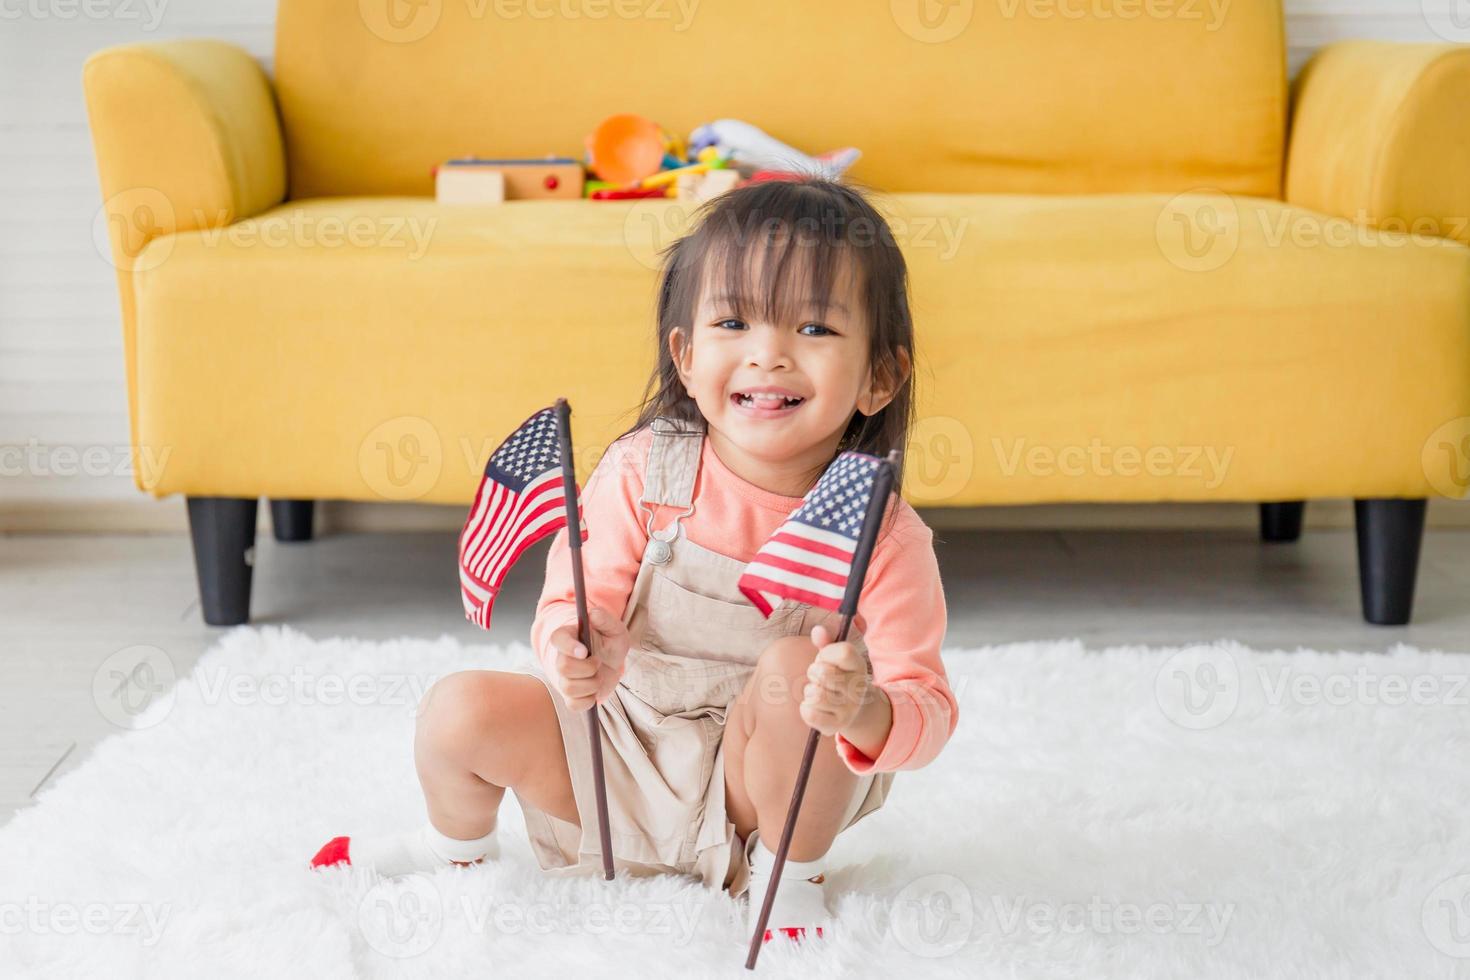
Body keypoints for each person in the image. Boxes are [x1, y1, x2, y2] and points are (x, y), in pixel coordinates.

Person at [311, 175, 958, 944]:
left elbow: (930, 709)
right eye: (734, 321)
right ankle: (455, 854)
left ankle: (791, 888)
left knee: (792, 671)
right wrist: (578, 643)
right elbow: (567, 603)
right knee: (461, 709)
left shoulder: (878, 532)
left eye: (814, 329)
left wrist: (865, 708)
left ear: (880, 376)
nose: (769, 355)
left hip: (756, 796)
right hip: (614, 756)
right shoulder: (641, 471)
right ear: (685, 356)